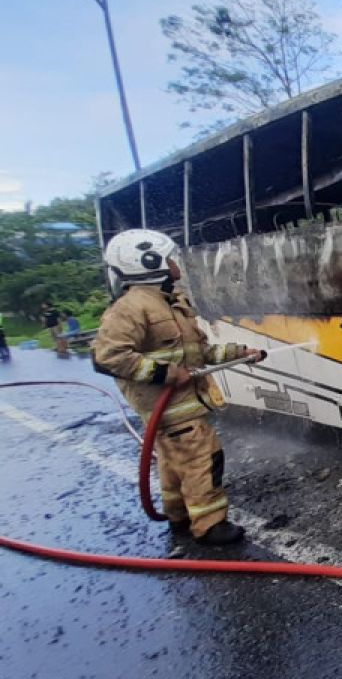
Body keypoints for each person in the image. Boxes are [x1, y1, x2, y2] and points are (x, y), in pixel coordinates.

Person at [92, 228, 263, 545]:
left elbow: (200, 354)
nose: (176, 264)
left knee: (174, 463)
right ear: (150, 263)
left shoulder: (170, 303)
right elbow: (107, 358)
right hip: (170, 407)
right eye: (170, 258)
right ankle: (211, 525)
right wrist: (166, 374)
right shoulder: (131, 308)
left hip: (175, 409)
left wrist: (240, 353)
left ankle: (180, 517)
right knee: (203, 459)